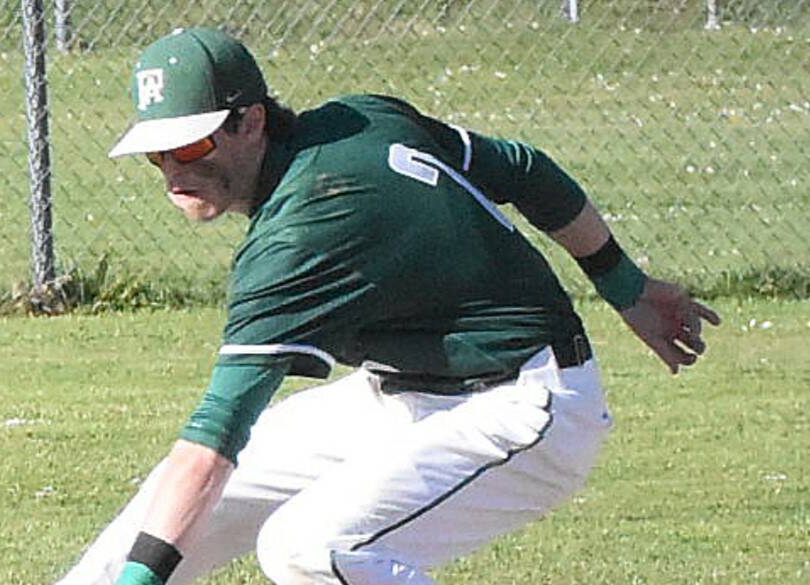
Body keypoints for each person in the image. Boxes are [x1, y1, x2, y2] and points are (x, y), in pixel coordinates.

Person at [57, 26, 720, 585]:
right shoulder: (362, 118)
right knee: (155, 516)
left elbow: (214, 440)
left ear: (251, 120)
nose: (173, 168)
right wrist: (625, 287)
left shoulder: (300, 233)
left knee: (312, 547)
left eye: (191, 143)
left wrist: (142, 579)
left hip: (523, 403)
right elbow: (523, 169)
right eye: (157, 151)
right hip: (401, 396)